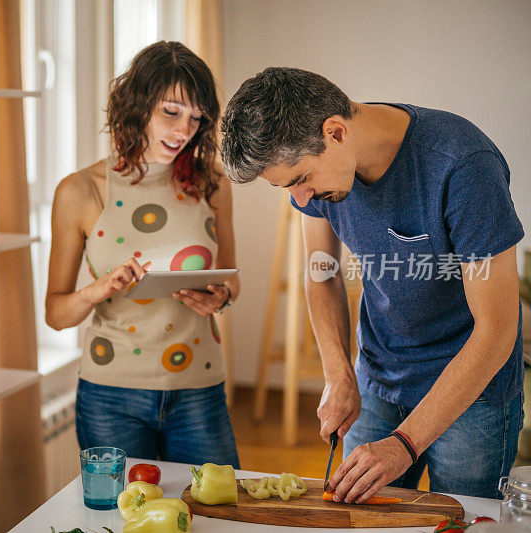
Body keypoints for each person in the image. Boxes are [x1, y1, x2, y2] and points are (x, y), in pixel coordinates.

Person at [221, 67, 524, 500]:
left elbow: (497, 331)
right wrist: (338, 373)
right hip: (378, 377)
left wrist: (404, 443)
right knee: (360, 522)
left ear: (336, 133)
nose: (299, 200)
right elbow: (322, 276)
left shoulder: (461, 164)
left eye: (299, 180)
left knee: (459, 521)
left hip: (471, 394)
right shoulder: (321, 181)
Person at [45, 41, 241, 467]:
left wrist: (220, 297)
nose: (183, 130)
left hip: (200, 389)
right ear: (137, 104)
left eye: (195, 118)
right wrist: (97, 291)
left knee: (223, 518)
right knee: (120, 523)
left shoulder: (212, 183)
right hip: (111, 397)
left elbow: (233, 280)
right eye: (171, 111)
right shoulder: (81, 191)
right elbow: (57, 314)